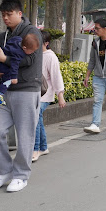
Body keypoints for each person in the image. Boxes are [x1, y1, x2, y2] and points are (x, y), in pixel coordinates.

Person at [0, 0, 43, 193]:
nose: (5, 18)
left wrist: (6, 59)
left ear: (19, 13)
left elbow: (31, 59)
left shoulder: (32, 32)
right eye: (3, 15)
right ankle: (4, 171)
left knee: (25, 135)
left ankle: (20, 176)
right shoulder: (3, 36)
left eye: (9, 14)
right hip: (4, 91)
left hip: (26, 89)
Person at [33, 29, 66, 162]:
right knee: (38, 119)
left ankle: (35, 149)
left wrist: (60, 95)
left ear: (46, 43)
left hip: (45, 94)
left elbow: (56, 76)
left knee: (35, 117)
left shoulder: (51, 57)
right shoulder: (34, 54)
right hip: (35, 93)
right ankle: (43, 146)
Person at [0, 32, 39, 106]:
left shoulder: (17, 39)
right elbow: (14, 65)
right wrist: (14, 77)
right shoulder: (19, 53)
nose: (32, 52)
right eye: (31, 51)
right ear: (24, 48)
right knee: (7, 78)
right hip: (1, 64)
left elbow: (11, 40)